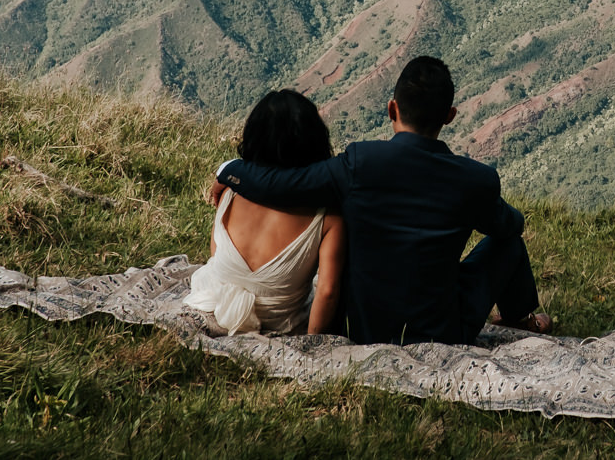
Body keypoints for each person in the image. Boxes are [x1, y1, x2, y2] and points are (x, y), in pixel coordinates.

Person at [214, 56, 551, 346]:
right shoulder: (476, 180)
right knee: (508, 245)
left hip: (359, 326)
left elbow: (284, 185)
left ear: (392, 108)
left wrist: (230, 169)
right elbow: (510, 227)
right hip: (443, 331)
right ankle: (520, 320)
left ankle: (520, 319)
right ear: (449, 116)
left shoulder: (361, 163)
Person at [184, 89, 346, 336]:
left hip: (214, 304)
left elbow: (217, 253)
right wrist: (313, 342)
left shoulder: (230, 189)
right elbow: (327, 291)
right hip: (281, 321)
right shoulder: (329, 216)